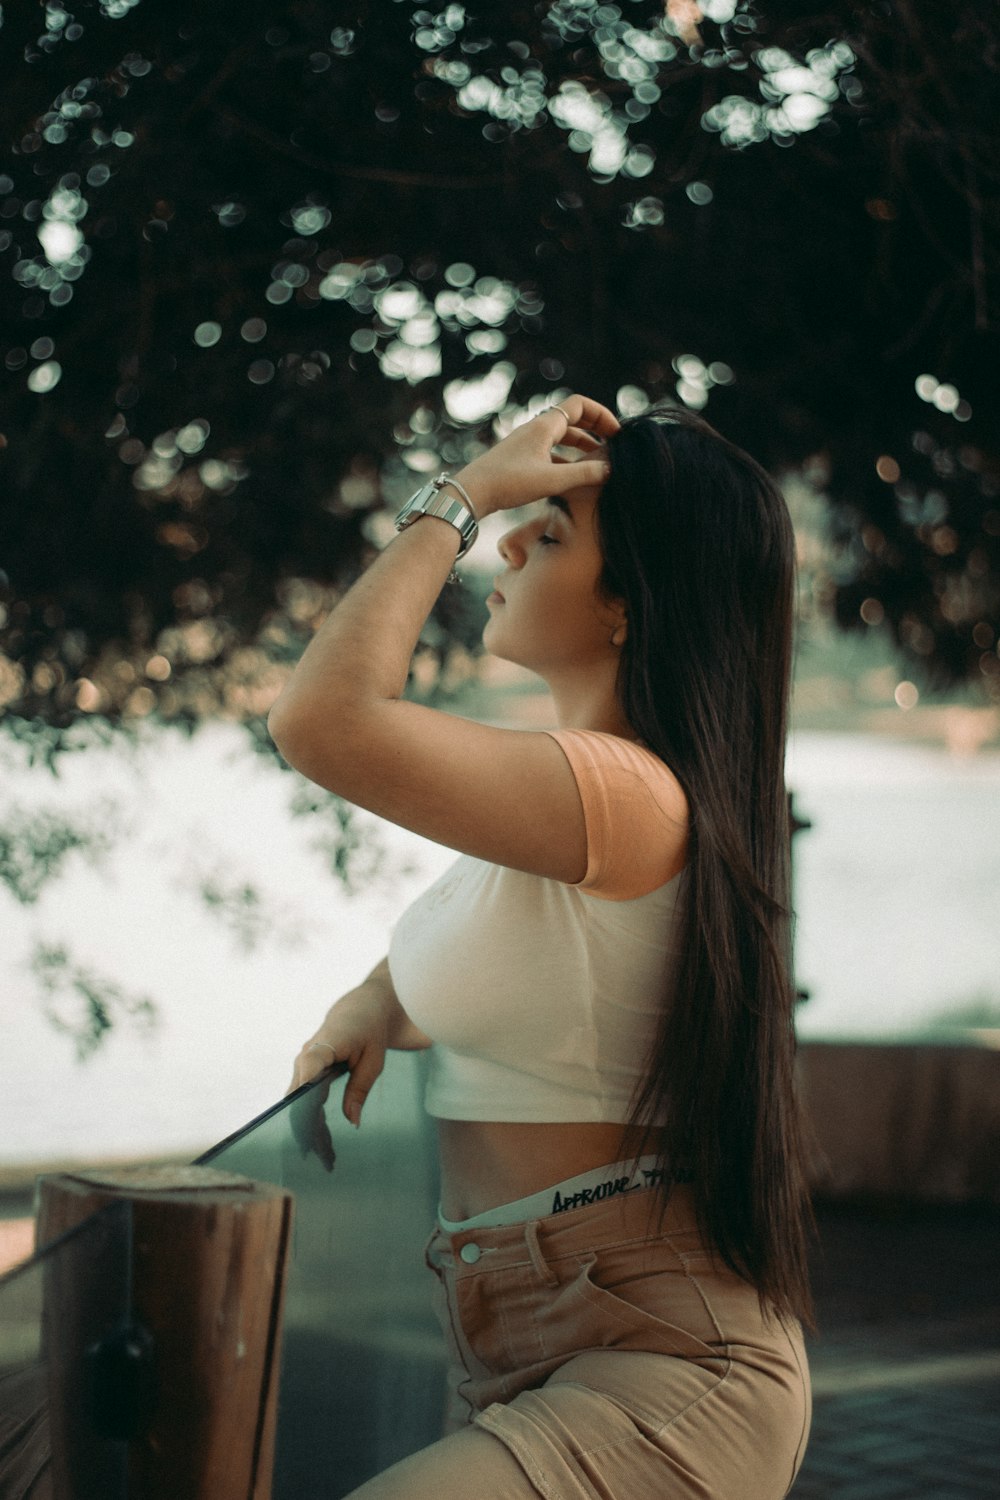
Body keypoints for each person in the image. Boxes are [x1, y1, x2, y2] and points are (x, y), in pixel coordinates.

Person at [272, 394, 813, 1499]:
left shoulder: (619, 793)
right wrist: (376, 1002)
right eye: (524, 518)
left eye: (551, 530)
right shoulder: (585, 804)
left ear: (626, 607)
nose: (510, 541)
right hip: (523, 1342)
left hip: (662, 1361)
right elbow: (528, 971)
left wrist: (464, 495)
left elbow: (319, 721)